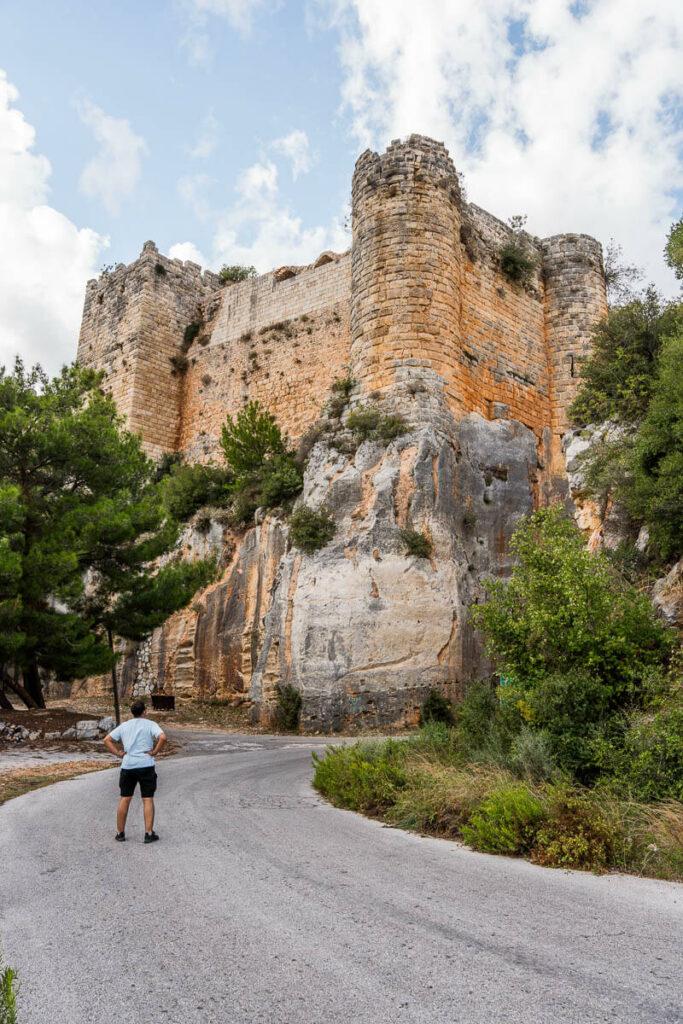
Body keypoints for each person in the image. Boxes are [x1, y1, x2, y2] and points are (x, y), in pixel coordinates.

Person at [103, 699, 167, 844]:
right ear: (145, 711)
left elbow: (107, 739)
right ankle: (148, 833)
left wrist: (119, 753)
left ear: (132, 712)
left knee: (125, 798)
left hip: (128, 765)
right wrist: (155, 751)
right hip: (145, 764)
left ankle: (120, 833)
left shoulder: (124, 726)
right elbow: (162, 737)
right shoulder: (150, 724)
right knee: (147, 798)